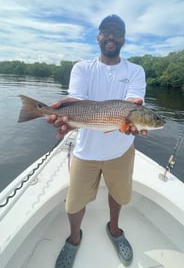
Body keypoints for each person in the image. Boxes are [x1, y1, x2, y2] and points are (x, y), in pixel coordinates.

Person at [48, 14, 146, 267]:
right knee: (74, 204)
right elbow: (76, 99)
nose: (111, 36)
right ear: (99, 37)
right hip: (85, 151)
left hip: (121, 151)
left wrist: (134, 114)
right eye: (106, 31)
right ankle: (73, 238)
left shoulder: (135, 70)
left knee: (119, 196)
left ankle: (114, 230)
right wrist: (65, 116)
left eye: (116, 32)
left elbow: (134, 102)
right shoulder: (82, 68)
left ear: (123, 38)